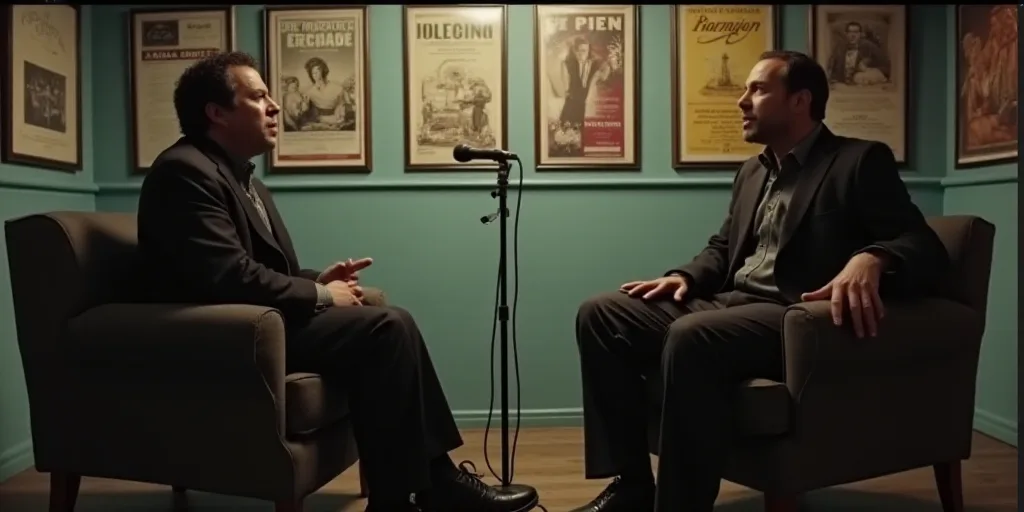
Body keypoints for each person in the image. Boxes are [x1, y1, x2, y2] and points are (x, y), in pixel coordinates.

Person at [135, 51, 538, 512]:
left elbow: (252, 268)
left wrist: (316, 280)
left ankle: (416, 489)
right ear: (217, 112)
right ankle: (426, 486)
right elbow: (228, 276)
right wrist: (323, 295)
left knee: (382, 319)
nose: (275, 107)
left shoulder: (239, 176)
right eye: (259, 96)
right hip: (224, 333)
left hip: (257, 318)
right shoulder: (185, 172)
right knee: (388, 327)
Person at [569, 50, 949, 512]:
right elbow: (724, 249)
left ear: (799, 100)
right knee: (601, 313)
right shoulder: (753, 171)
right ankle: (631, 485)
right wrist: (683, 277)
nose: (741, 102)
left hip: (793, 315)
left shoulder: (858, 161)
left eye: (758, 89)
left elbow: (922, 242)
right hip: (729, 301)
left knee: (691, 336)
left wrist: (872, 257)